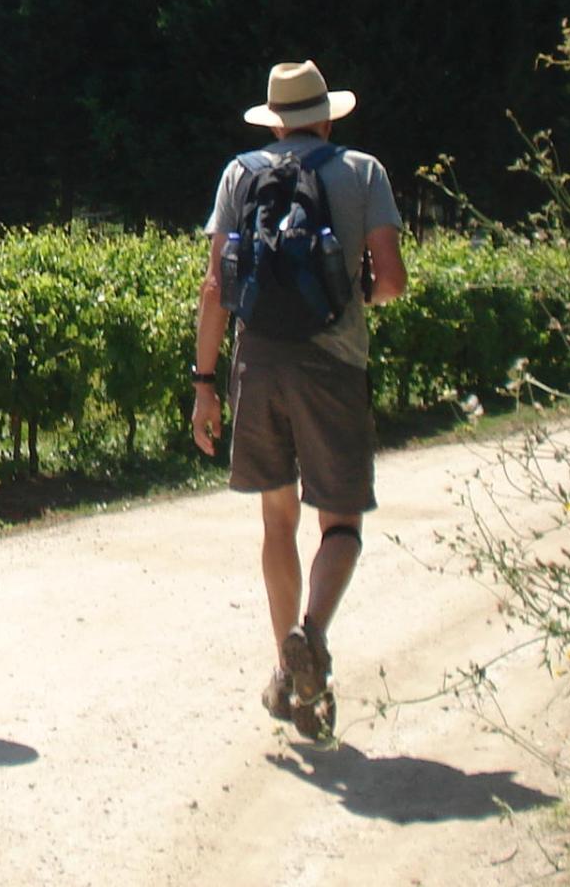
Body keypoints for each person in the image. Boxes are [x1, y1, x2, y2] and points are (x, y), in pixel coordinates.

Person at [189, 60, 407, 741]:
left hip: (257, 363)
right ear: (328, 116)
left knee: (276, 521)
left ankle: (285, 664)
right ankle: (309, 641)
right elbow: (393, 282)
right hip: (333, 365)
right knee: (339, 525)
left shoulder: (239, 174)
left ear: (276, 119)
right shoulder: (363, 172)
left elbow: (214, 290)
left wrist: (203, 383)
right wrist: (354, 295)